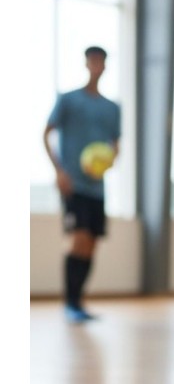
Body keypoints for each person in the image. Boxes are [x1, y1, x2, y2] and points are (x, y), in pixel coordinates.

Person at [43, 46, 121, 323]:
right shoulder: (68, 100)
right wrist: (59, 172)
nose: (96, 65)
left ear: (105, 66)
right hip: (73, 184)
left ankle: (79, 302)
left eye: (101, 61)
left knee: (91, 244)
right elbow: (46, 134)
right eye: (92, 60)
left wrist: (108, 162)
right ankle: (70, 303)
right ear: (86, 64)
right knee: (78, 240)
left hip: (97, 187)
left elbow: (115, 145)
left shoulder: (112, 108)